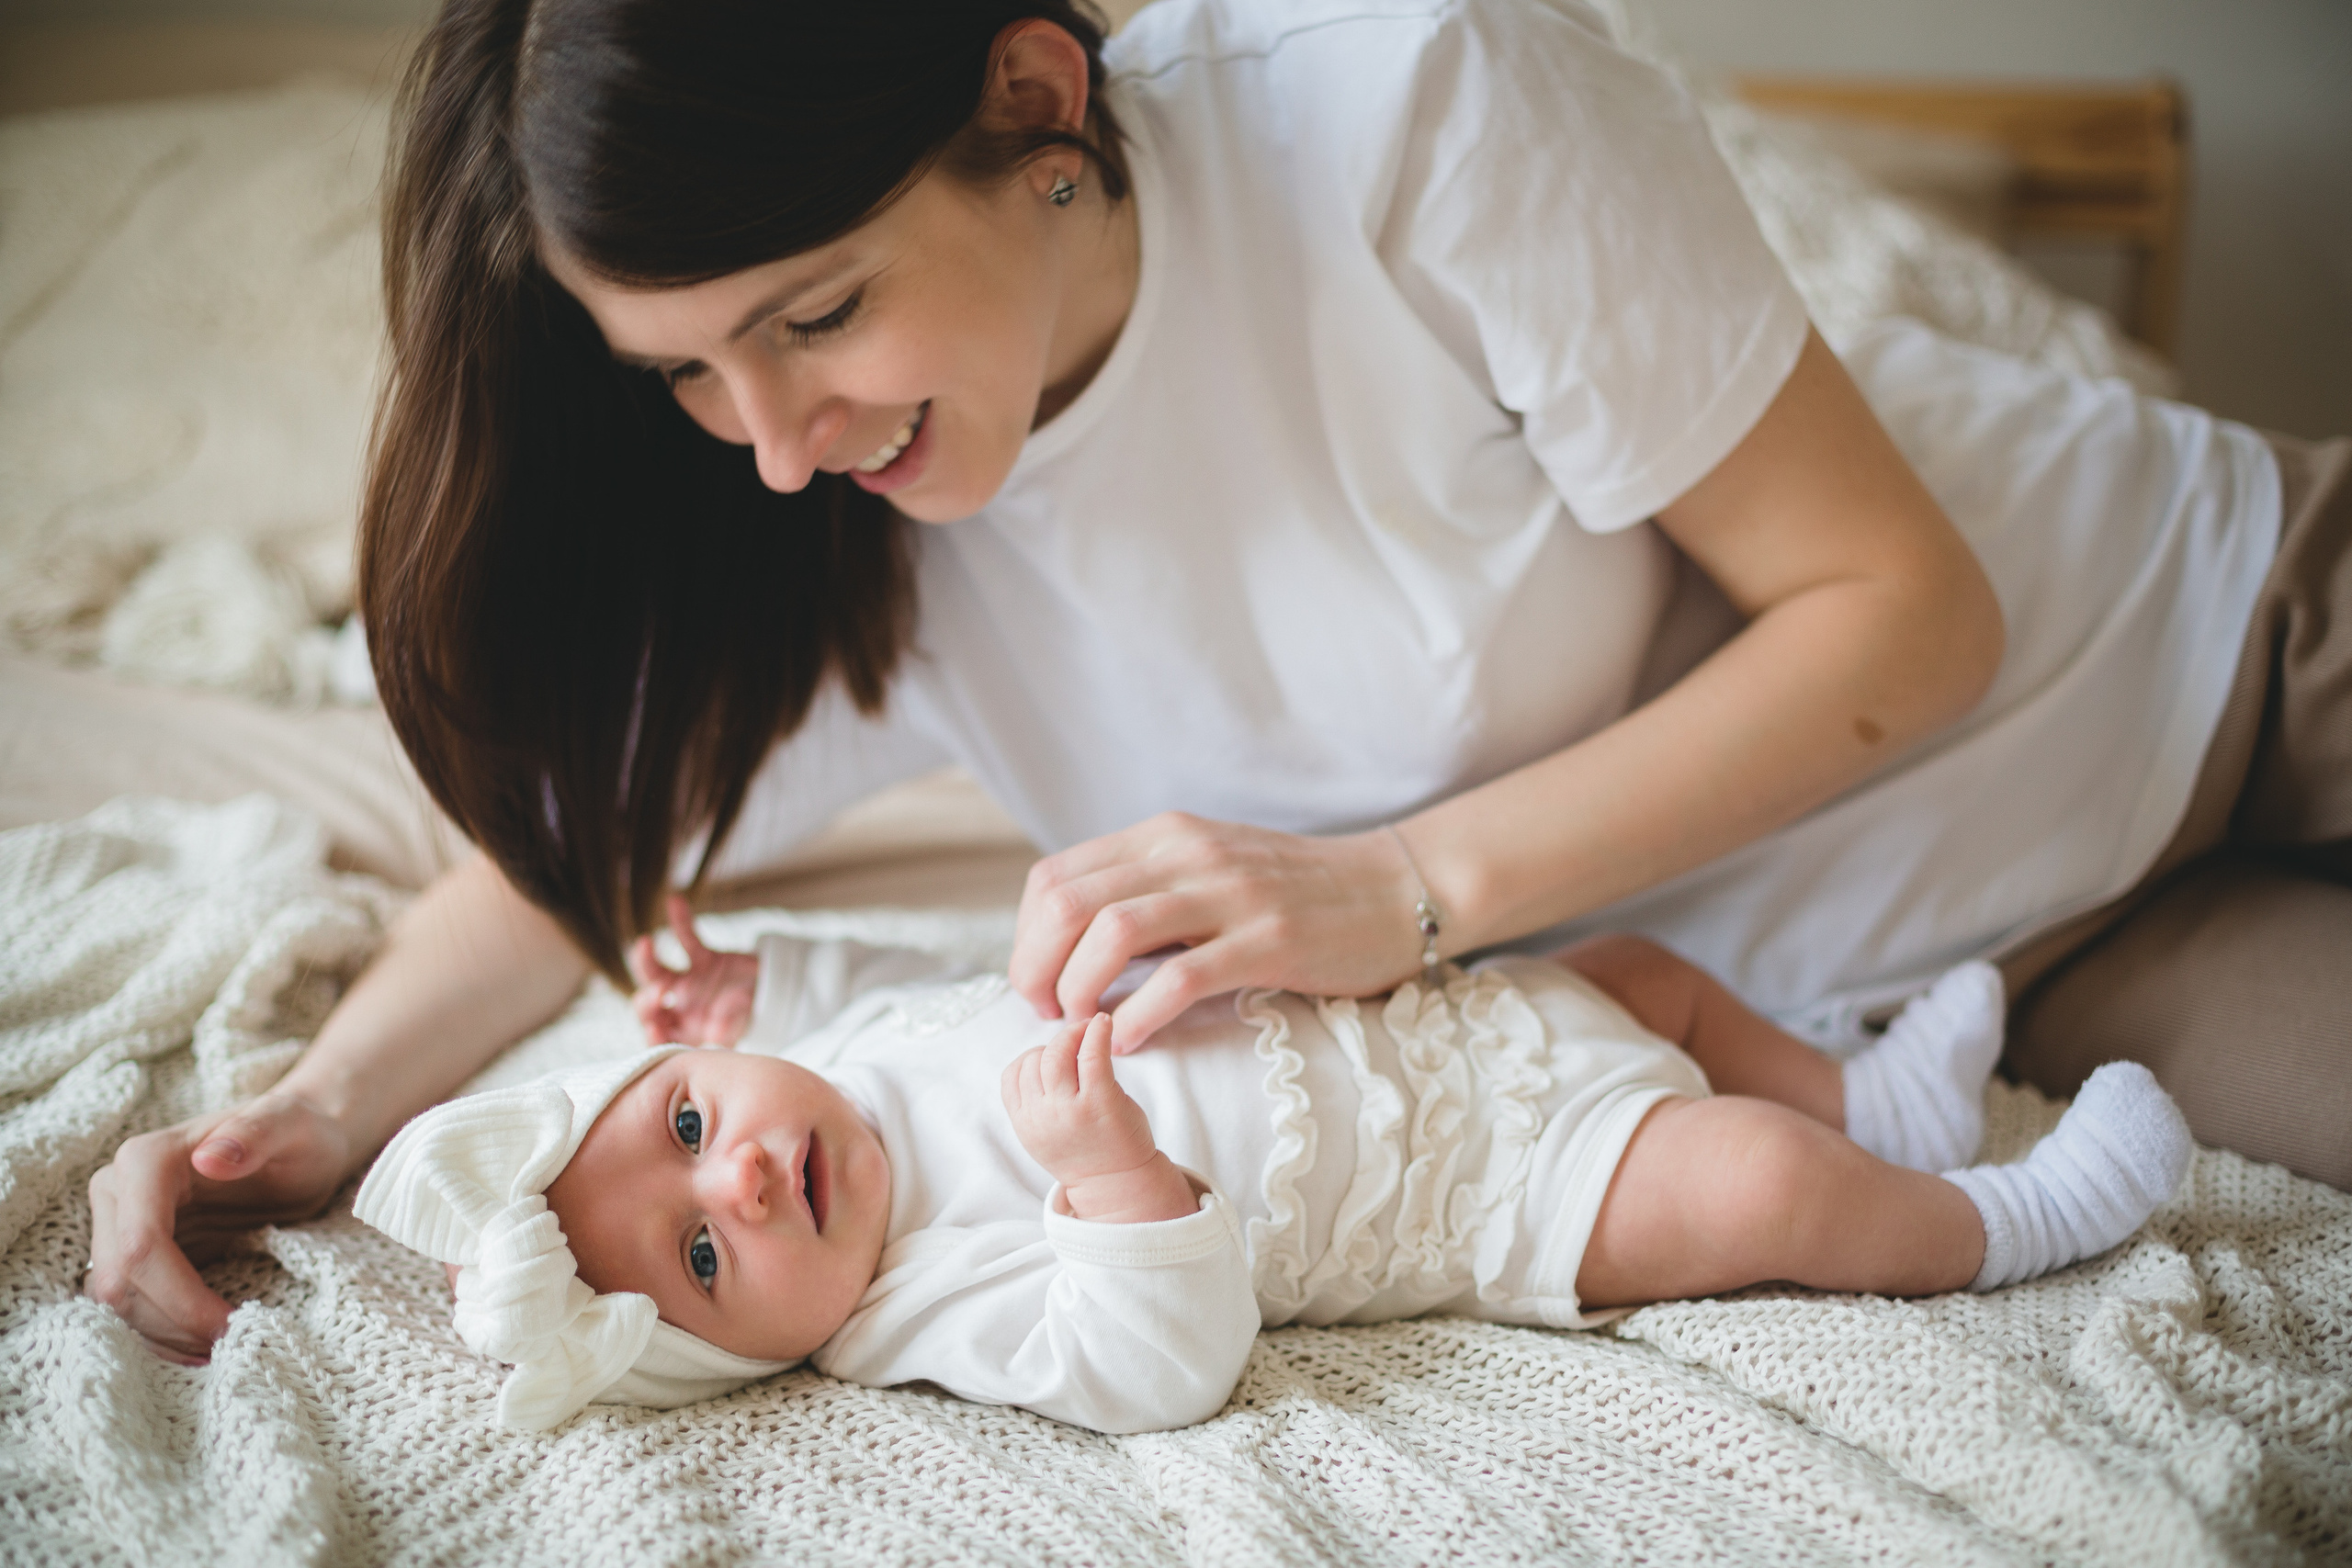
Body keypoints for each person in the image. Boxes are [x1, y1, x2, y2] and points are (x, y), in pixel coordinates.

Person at [85, 0, 2351, 1367]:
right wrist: (320, 1106)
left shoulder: (1399, 95)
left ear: (1032, 95)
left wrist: (1401, 887)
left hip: (2225, 626)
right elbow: (569, 842)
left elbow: (1904, 612)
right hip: (2001, 977)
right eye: (684, 373)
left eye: (815, 311)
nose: (770, 442)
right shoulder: (841, 546)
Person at [353, 939, 2189, 1433]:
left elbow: (905, 953)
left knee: (1654, 978)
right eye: (700, 1250)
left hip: (1456, 1020)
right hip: (1487, 1180)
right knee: (1759, 1186)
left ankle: (1879, 1091)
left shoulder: (845, 1050)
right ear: (751, 1351)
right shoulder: (906, 1304)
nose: (744, 1171)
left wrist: (746, 969)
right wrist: (1107, 1174)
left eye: (685, 1120)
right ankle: (2003, 1213)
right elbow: (1155, 1362)